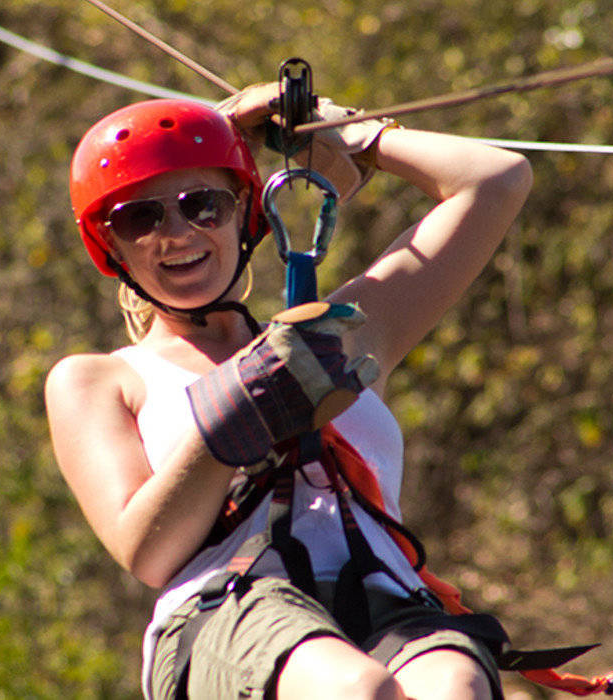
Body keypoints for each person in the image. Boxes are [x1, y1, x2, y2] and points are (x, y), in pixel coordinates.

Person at [46, 83, 532, 700]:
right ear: (108, 245)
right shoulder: (100, 379)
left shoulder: (342, 333)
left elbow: (496, 180)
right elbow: (146, 550)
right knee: (358, 691)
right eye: (140, 217)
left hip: (384, 599)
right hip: (228, 611)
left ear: (246, 210)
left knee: (455, 687)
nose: (176, 232)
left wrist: (351, 135)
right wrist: (243, 410)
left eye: (204, 204)